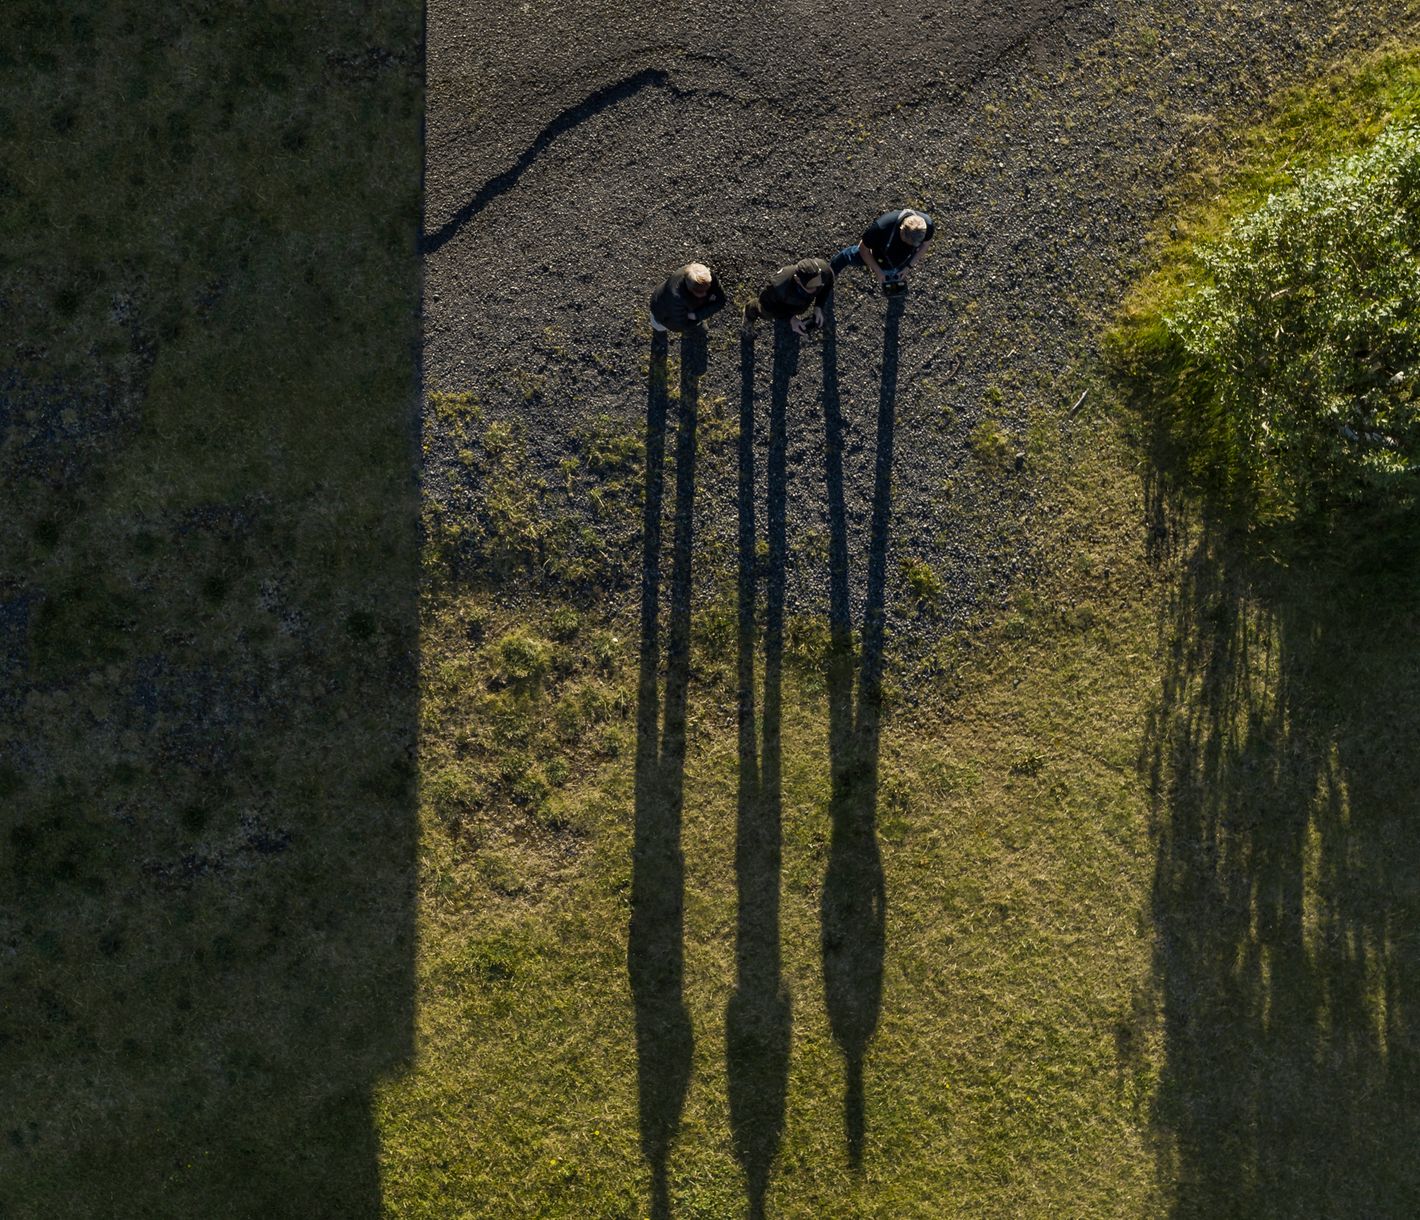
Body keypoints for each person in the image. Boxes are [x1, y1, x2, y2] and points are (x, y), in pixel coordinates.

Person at [831, 208, 935, 292]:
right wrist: (878, 271)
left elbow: (925, 245)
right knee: (848, 256)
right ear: (901, 229)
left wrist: (908, 266)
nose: (909, 245)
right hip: (876, 254)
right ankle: (828, 275)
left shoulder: (927, 226)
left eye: (914, 245)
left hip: (901, 262)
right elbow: (863, 249)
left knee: (896, 281)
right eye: (907, 242)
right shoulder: (882, 227)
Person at [741, 257, 835, 337]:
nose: (815, 289)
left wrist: (818, 306)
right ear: (797, 279)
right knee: (764, 311)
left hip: (795, 303)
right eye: (810, 287)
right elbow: (767, 305)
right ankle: (749, 311)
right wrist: (791, 318)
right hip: (774, 303)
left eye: (818, 284)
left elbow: (827, 286)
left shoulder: (824, 272)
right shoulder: (778, 286)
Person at [650, 262, 726, 334]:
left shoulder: (706, 276)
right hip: (661, 311)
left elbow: (722, 300)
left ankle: (697, 324)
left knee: (695, 317)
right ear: (689, 289)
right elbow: (681, 325)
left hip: (688, 310)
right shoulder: (676, 298)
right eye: (700, 292)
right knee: (659, 326)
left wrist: (697, 315)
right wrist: (698, 316)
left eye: (708, 288)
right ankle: (659, 335)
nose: (705, 294)